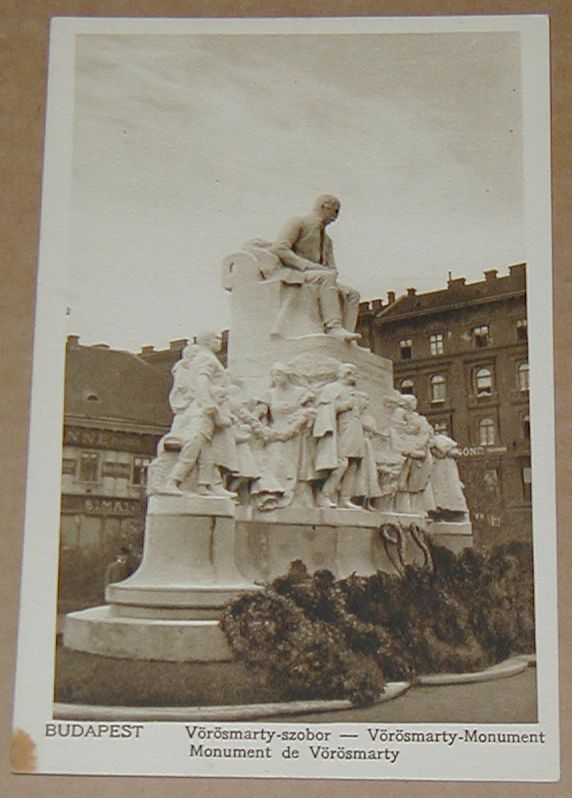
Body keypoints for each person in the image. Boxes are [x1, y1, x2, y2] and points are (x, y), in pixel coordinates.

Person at [267, 195, 361, 342]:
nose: (336, 217)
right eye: (335, 211)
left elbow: (331, 267)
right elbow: (279, 248)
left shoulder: (328, 240)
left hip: (319, 276)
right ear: (324, 207)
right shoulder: (299, 222)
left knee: (353, 294)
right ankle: (333, 326)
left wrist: (331, 271)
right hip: (296, 272)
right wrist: (308, 266)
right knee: (326, 277)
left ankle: (346, 339)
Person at [313, 362, 366, 509]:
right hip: (342, 429)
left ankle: (345, 498)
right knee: (341, 463)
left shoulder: (353, 390)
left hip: (355, 429)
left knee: (353, 464)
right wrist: (346, 405)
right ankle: (324, 495)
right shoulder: (332, 388)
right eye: (352, 373)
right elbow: (326, 408)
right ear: (345, 374)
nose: (355, 376)